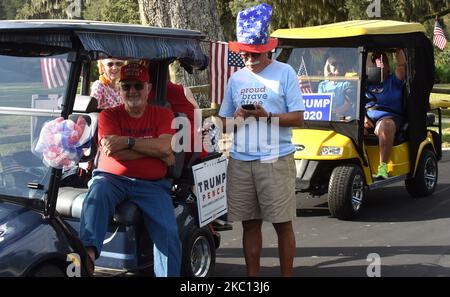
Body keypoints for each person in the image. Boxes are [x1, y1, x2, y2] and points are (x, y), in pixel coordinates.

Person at [218, 3, 304, 277]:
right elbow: (223, 123)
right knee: (250, 225)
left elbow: (299, 118)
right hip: (241, 161)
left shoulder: (285, 73)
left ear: (268, 49)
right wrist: (238, 118)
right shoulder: (236, 78)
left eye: (255, 54)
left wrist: (267, 117)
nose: (249, 59)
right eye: (244, 54)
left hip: (275, 159)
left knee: (282, 224)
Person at [79, 63, 181, 277]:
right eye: (126, 86)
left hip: (152, 185)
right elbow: (115, 154)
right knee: (96, 194)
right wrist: (157, 152)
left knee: (169, 235)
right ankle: (87, 257)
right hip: (112, 180)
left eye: (137, 85)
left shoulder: (162, 114)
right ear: (119, 89)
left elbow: (165, 146)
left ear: (148, 88)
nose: (132, 91)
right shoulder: (109, 116)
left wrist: (127, 142)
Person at [364, 49, 406, 179]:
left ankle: (382, 168)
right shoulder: (366, 83)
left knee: (385, 126)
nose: (378, 64)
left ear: (388, 66)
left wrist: (398, 48)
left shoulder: (394, 80)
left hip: (389, 117)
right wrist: (363, 117)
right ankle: (360, 167)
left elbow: (401, 65)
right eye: (375, 61)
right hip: (368, 118)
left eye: (382, 61)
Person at [318, 53, 356, 120]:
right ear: (328, 66)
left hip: (342, 118)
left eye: (341, 64)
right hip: (325, 117)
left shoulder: (347, 84)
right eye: (334, 64)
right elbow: (320, 104)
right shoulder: (322, 85)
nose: (338, 66)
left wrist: (332, 113)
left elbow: (347, 105)